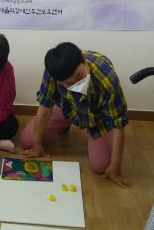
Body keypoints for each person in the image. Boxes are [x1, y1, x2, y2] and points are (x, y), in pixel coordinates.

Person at [20, 42, 131, 187]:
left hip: (97, 117)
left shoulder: (107, 78)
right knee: (28, 141)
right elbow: (45, 108)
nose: (76, 84)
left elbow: (118, 123)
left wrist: (115, 166)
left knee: (102, 166)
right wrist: (37, 145)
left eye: (79, 75)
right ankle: (64, 123)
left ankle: (90, 133)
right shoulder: (54, 71)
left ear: (84, 60)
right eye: (68, 83)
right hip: (68, 107)